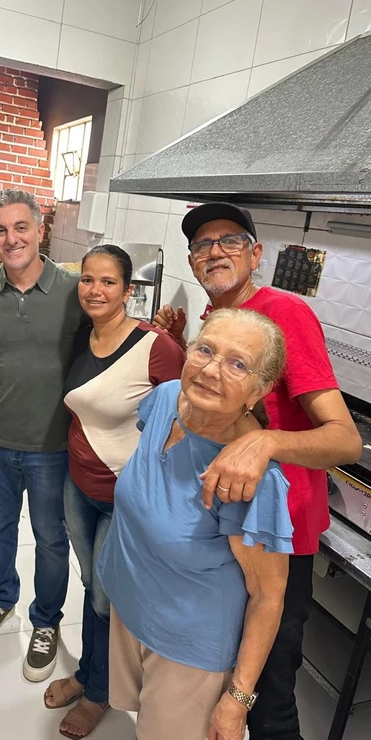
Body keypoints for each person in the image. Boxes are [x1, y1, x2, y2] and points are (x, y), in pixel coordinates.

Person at [154, 202, 362, 740]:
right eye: (203, 245)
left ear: (256, 254)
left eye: (230, 240)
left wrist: (266, 442)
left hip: (276, 532)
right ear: (192, 262)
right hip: (228, 523)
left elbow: (345, 439)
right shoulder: (217, 317)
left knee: (268, 695)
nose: (215, 251)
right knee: (223, 671)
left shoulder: (284, 314)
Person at [98, 308, 293, 740]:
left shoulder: (252, 481)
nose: (210, 370)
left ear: (259, 390)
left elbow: (268, 595)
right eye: (205, 349)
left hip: (188, 645)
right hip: (133, 607)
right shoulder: (167, 397)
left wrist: (237, 698)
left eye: (237, 364)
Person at [43, 244, 184, 738]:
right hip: (77, 483)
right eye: (87, 279)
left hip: (124, 495)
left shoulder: (155, 346)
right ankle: (89, 673)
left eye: (108, 282)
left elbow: (184, 420)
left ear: (128, 290)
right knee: (91, 585)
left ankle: (99, 692)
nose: (95, 290)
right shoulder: (79, 338)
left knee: (106, 598)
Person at [0, 188, 85, 683]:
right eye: (0, 230)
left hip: (53, 443)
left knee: (51, 538)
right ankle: (0, 599)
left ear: (39, 229)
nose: (11, 239)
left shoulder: (74, 290)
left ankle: (46, 621)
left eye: (20, 227)